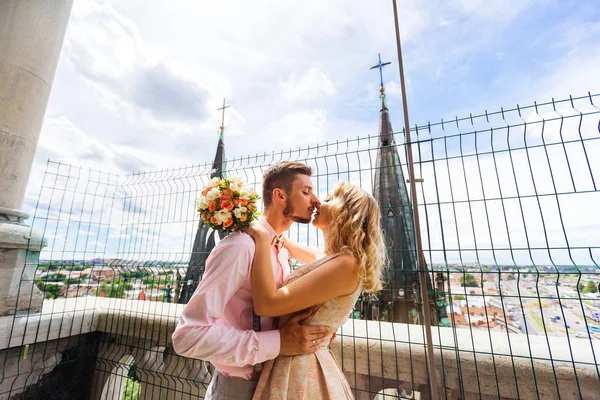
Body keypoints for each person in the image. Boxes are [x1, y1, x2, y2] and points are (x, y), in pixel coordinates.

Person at [171, 161, 331, 400]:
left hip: (278, 383)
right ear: (279, 195)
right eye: (306, 192)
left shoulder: (282, 249)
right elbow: (187, 337)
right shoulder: (240, 246)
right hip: (238, 389)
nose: (315, 200)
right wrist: (277, 342)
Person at [244, 181, 387, 400]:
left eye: (329, 199)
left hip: (299, 370)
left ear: (345, 213)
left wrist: (262, 239)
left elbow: (267, 304)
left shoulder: (345, 265)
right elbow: (302, 251)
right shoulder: (336, 260)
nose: (319, 201)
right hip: (298, 360)